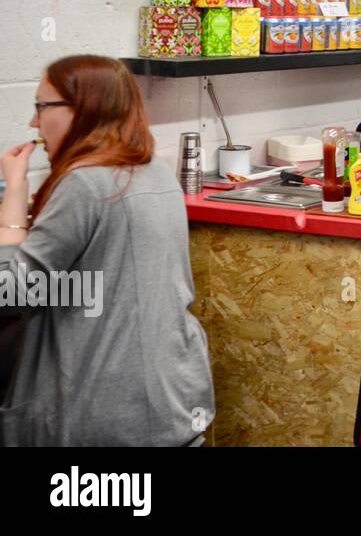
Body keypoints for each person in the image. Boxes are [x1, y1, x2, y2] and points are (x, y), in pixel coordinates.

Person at [0, 55, 215, 446]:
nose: (34, 123)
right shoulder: (154, 171)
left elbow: (11, 293)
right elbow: (94, 284)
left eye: (41, 107)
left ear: (81, 110)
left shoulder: (87, 183)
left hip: (106, 416)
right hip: (169, 404)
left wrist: (13, 195)